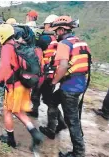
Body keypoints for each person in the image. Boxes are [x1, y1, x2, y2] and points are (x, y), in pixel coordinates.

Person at [40, 16, 91, 157]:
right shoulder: (80, 42)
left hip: (69, 88)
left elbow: (62, 66)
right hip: (79, 84)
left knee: (72, 120)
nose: (55, 34)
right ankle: (52, 128)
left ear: (62, 30)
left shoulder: (64, 44)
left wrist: (53, 81)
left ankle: (78, 152)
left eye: (56, 31)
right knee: (52, 101)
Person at [0, 24, 43, 150]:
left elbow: (4, 68)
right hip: (23, 84)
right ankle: (35, 133)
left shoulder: (7, 48)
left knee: (7, 111)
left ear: (2, 36)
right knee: (17, 110)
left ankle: (10, 140)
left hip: (13, 86)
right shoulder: (18, 44)